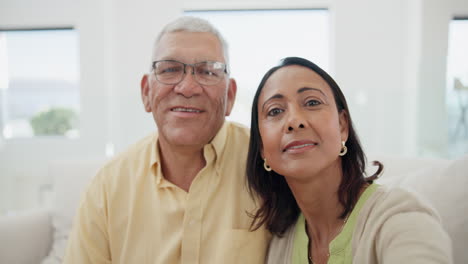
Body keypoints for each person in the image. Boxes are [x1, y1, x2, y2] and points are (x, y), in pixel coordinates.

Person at [63, 16, 270, 264]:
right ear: (146, 92)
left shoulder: (270, 165)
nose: (187, 87)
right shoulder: (107, 189)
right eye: (170, 69)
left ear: (231, 95)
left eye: (207, 71)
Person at [246, 57, 453, 264]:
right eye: (275, 111)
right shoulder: (280, 246)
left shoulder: (400, 216)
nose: (294, 121)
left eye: (312, 102)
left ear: (342, 125)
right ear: (262, 147)